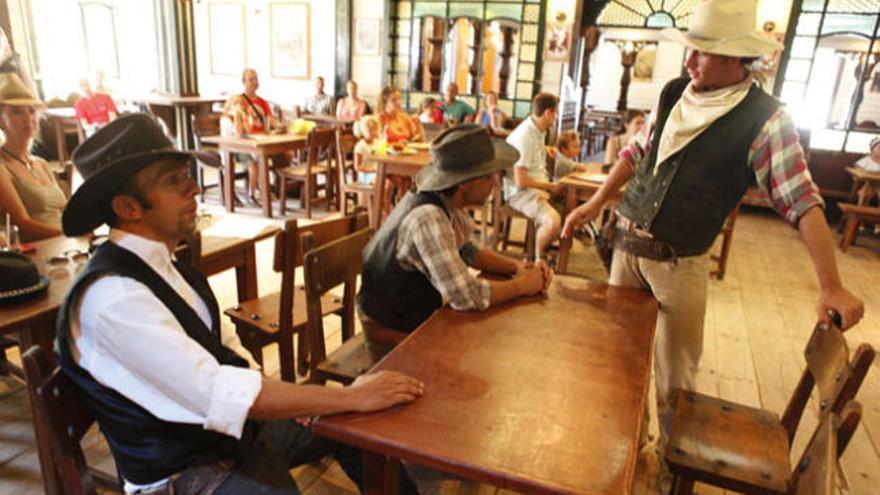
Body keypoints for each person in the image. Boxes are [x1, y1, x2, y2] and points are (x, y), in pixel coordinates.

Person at [56, 113, 424, 494]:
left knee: (353, 429)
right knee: (345, 409)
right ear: (129, 207)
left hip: (223, 438)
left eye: (187, 175)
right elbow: (215, 390)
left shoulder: (171, 270)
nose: (194, 189)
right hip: (178, 472)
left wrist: (303, 402)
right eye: (173, 180)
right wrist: (349, 395)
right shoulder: (113, 298)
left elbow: (228, 354)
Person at [562, 0, 864, 452]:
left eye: (701, 52)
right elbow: (635, 155)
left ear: (735, 56)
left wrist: (831, 284)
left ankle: (667, 463)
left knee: (675, 377)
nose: (688, 61)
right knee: (617, 362)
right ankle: (623, 450)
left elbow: (802, 201)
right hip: (625, 249)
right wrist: (598, 200)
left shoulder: (767, 120)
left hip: (678, 265)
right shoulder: (673, 92)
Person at [358, 124, 550, 336]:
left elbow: (469, 251)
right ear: (464, 184)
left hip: (411, 313)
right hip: (389, 323)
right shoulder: (429, 217)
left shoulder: (447, 200)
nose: (495, 184)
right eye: (489, 177)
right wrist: (522, 286)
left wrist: (517, 268)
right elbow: (465, 296)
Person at [0, 73, 65, 242]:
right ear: (1, 120)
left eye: (31, 111)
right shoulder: (2, 166)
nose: (28, 118)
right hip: (36, 252)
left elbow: (66, 212)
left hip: (66, 246)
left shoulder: (41, 163)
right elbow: (22, 227)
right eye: (17, 112)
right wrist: (70, 236)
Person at [504, 92, 563, 262]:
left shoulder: (536, 129)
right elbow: (521, 181)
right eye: (556, 113)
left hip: (536, 187)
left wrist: (545, 149)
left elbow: (529, 150)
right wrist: (550, 186)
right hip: (521, 193)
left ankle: (546, 247)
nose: (555, 118)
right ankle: (539, 258)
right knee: (553, 223)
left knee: (569, 207)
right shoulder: (525, 135)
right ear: (548, 113)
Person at [222, 68, 282, 204]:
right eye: (251, 79)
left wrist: (281, 126)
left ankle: (278, 189)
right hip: (244, 143)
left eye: (256, 79)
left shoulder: (263, 102)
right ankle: (255, 193)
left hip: (262, 140)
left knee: (284, 155)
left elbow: (272, 119)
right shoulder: (239, 101)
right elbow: (239, 129)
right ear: (243, 82)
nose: (255, 82)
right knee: (257, 162)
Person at [854, 136, 880, 205]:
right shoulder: (865, 160)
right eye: (878, 148)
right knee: (865, 191)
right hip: (866, 183)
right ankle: (861, 209)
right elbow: (857, 173)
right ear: (872, 149)